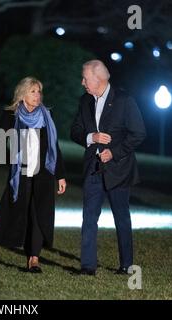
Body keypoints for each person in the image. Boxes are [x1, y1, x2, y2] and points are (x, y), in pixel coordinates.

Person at [70, 60, 146, 276]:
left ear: (99, 79)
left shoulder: (124, 100)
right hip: (93, 168)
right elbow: (74, 131)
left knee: (121, 216)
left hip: (118, 168)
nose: (82, 82)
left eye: (85, 78)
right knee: (89, 216)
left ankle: (126, 265)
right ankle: (87, 266)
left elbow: (139, 133)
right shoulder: (84, 101)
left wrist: (114, 152)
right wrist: (90, 137)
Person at [0, 77, 67, 273]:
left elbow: (53, 147)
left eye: (39, 91)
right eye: (33, 91)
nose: (37, 95)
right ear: (23, 94)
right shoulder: (11, 115)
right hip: (21, 174)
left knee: (39, 213)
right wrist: (10, 158)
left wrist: (60, 175)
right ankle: (18, 244)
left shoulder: (46, 116)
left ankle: (34, 258)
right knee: (21, 212)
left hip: (44, 175)